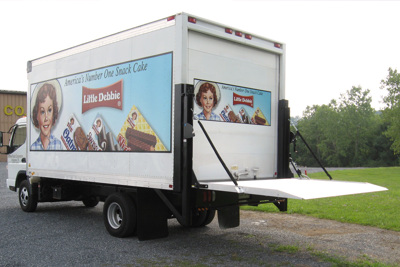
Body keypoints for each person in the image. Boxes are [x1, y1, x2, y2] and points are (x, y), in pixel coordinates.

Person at [31, 82, 62, 150]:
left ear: (54, 113)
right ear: (37, 116)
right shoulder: (33, 147)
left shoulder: (59, 145)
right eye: (42, 112)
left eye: (49, 110)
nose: (46, 118)